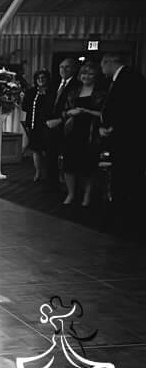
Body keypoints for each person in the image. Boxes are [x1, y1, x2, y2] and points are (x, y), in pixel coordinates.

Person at [99, 53, 146, 236]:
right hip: (126, 137)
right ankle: (124, 216)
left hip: (128, 139)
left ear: (109, 62)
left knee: (126, 177)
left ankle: (125, 220)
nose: (102, 71)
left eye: (102, 66)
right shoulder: (129, 77)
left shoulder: (129, 79)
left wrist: (112, 127)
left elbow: (129, 109)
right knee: (125, 177)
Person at [61, 62, 106, 206]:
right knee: (69, 165)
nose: (86, 76)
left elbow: (105, 114)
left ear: (96, 76)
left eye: (90, 74)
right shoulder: (74, 91)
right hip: (73, 131)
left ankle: (87, 195)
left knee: (88, 166)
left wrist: (86, 111)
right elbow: (64, 111)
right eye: (84, 74)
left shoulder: (101, 93)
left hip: (90, 132)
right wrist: (70, 112)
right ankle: (71, 194)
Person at [45, 58, 80, 190]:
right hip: (51, 125)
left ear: (74, 69)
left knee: (67, 157)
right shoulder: (55, 84)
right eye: (61, 67)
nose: (63, 70)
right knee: (51, 155)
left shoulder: (77, 85)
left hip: (67, 124)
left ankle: (67, 184)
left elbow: (74, 106)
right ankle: (51, 183)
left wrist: (60, 119)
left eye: (67, 67)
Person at [21, 70, 54, 181]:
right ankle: (38, 172)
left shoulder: (52, 92)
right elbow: (25, 107)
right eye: (38, 78)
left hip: (48, 124)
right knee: (36, 149)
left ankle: (51, 173)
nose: (41, 79)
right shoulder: (31, 92)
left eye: (43, 77)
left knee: (49, 150)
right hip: (35, 124)